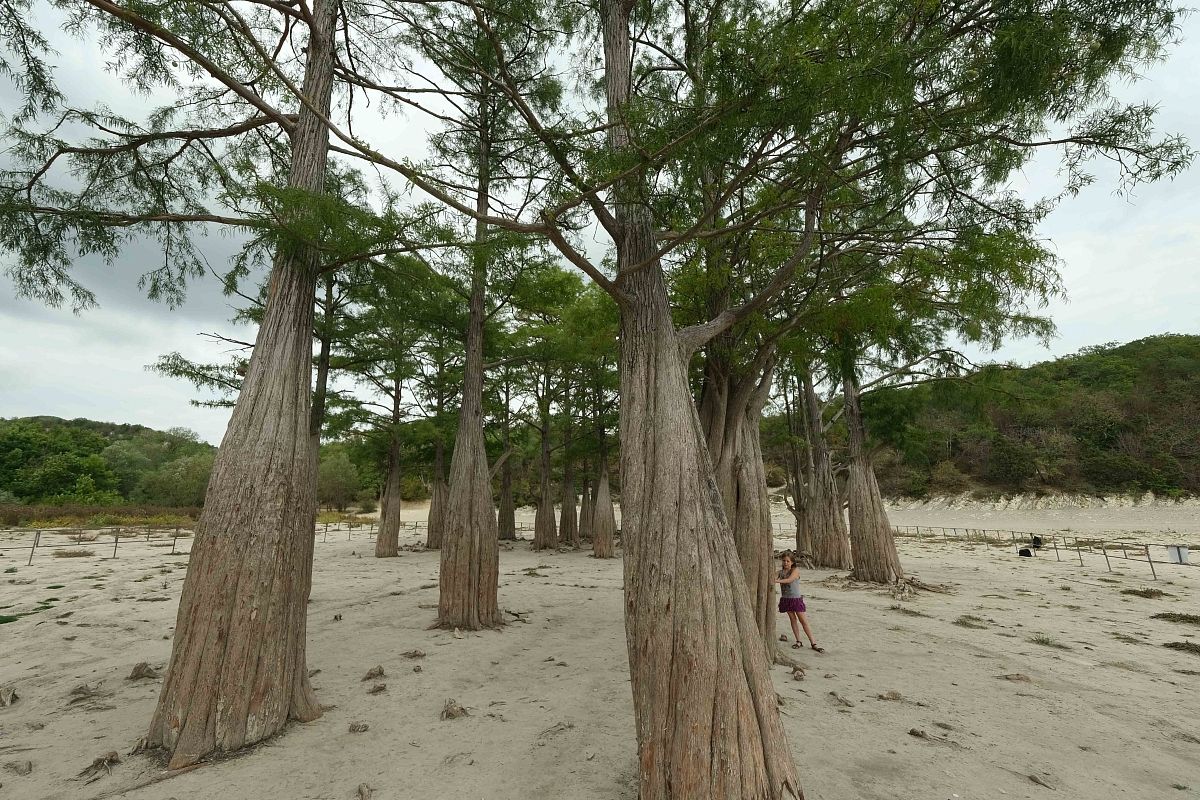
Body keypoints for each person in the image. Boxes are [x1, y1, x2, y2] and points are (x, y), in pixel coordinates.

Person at [774, 551, 824, 652]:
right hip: (786, 599)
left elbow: (790, 580)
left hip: (795, 600)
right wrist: (774, 577)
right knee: (793, 620)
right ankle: (798, 641)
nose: (785, 563)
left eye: (788, 561)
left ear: (792, 562)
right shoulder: (780, 572)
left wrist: (776, 581)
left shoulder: (795, 570)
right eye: (784, 561)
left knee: (803, 621)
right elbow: (772, 576)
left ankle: (813, 642)